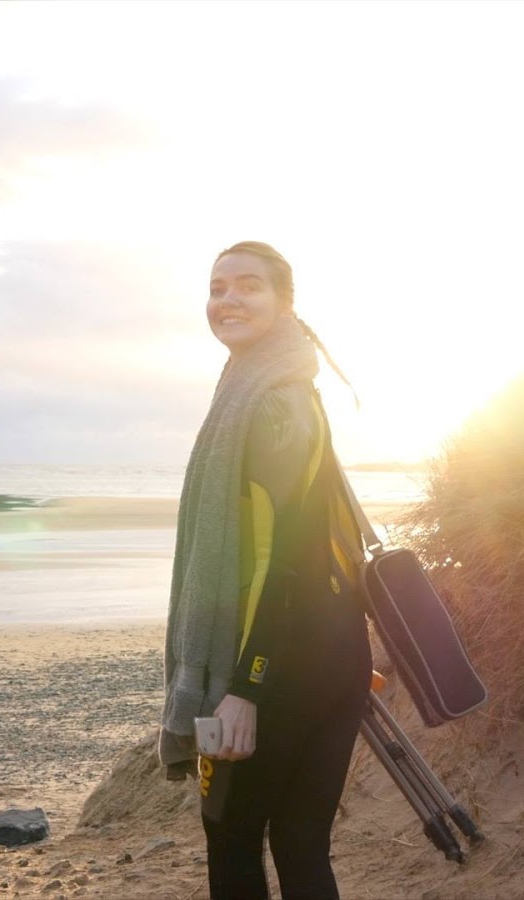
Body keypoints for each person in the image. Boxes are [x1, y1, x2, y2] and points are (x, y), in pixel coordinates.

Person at [160, 241, 372, 900]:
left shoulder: (273, 405)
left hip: (281, 665)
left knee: (230, 837)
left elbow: (289, 559)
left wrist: (245, 687)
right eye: (217, 288)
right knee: (301, 844)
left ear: (285, 303)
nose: (227, 300)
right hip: (333, 653)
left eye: (247, 286)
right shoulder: (281, 389)